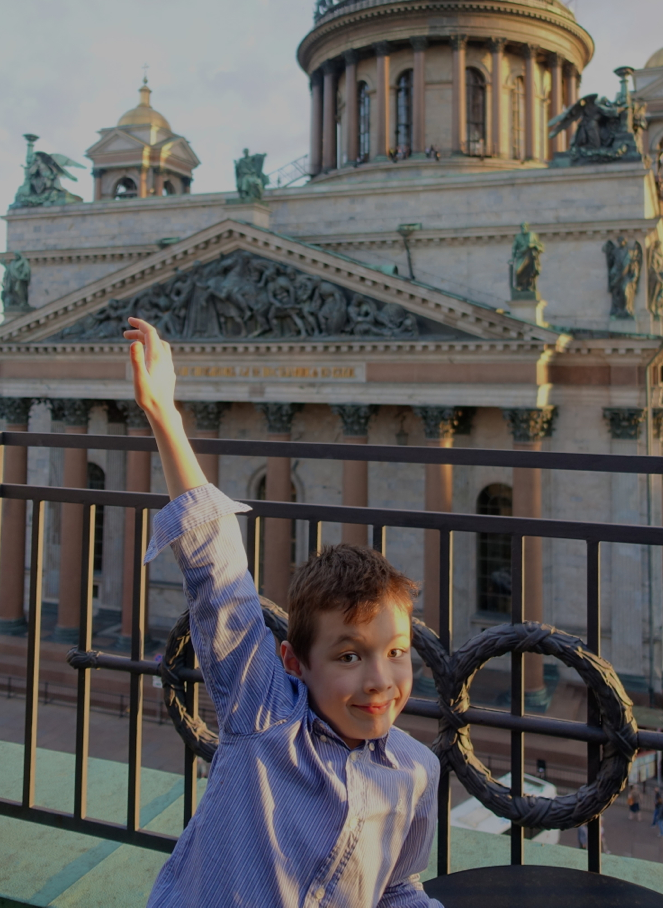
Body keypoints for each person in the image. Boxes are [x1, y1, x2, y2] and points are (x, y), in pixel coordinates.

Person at [123, 317, 444, 908]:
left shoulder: (418, 770)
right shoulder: (263, 716)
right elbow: (219, 579)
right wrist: (165, 414)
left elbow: (397, 886)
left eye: (396, 652)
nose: (379, 678)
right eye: (349, 655)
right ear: (293, 662)